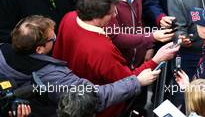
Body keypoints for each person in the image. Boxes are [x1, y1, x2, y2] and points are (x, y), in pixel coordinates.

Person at [52, 0, 180, 117]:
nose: (114, 15)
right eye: (111, 13)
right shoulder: (102, 50)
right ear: (96, 18)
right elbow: (128, 81)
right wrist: (157, 59)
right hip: (104, 110)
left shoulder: (69, 18)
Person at [0, 15, 160, 117]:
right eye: (52, 39)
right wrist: (137, 81)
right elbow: (95, 96)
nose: (56, 38)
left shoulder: (2, 52)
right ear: (39, 49)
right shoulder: (54, 77)